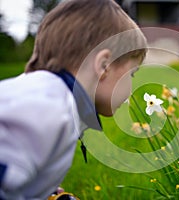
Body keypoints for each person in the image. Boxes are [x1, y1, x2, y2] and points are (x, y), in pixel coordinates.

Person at [0, 0, 147, 199]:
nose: (130, 89)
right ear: (104, 66)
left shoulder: (53, 100)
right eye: (132, 74)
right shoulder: (49, 106)